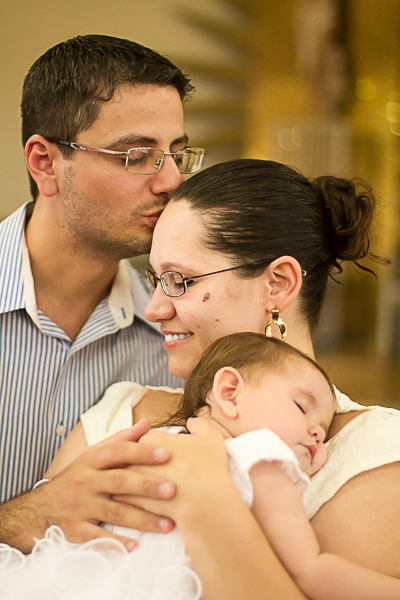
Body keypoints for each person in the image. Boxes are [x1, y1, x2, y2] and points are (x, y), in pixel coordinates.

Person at [43, 160, 400, 599]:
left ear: (277, 283)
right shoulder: (123, 410)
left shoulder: (376, 456)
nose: (153, 308)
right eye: (156, 279)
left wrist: (205, 489)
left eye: (179, 280)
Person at [0, 33, 206, 549]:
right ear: (45, 162)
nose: (171, 181)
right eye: (137, 155)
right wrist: (21, 518)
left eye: (178, 154)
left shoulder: (177, 343)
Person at [3, 333, 399, 600]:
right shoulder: (262, 458)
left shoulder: (166, 438)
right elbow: (311, 570)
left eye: (323, 431)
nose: (316, 432)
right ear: (229, 392)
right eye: (301, 407)